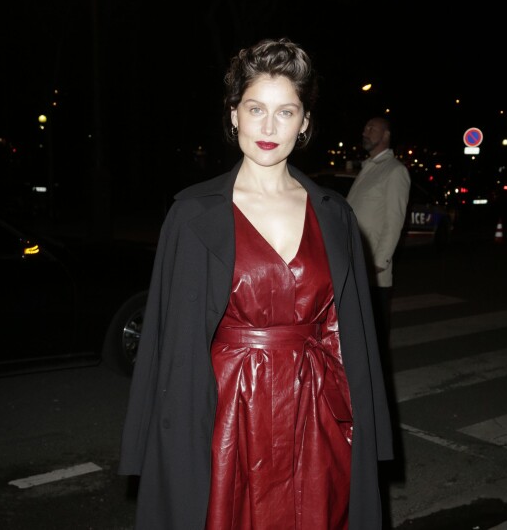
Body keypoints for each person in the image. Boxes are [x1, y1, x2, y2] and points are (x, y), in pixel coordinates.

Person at [118, 38, 393, 530]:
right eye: (255, 109)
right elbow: (167, 345)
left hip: (316, 416)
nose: (269, 127)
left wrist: (364, 427)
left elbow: (354, 338)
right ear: (233, 115)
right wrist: (154, 445)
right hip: (226, 418)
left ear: (304, 121)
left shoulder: (335, 215)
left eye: (285, 111)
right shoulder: (192, 214)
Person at [346, 117, 411, 350]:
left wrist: (379, 262)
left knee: (374, 338)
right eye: (365, 126)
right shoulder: (370, 167)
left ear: (386, 136)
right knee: (358, 334)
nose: (365, 131)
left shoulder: (395, 171)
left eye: (371, 128)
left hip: (373, 271)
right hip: (356, 264)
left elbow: (395, 220)